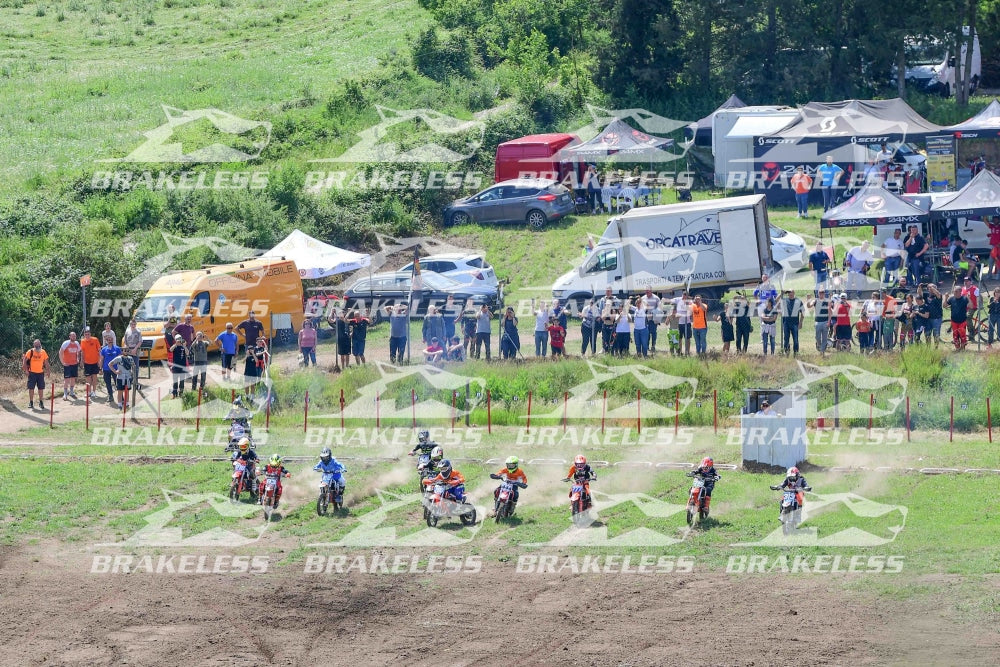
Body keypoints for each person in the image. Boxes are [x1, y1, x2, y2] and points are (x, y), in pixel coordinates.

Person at [22, 339, 50, 410]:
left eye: (39, 344)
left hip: (40, 373)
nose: (38, 346)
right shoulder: (30, 351)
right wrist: (26, 370)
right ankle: (31, 402)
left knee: (41, 388)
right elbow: (24, 361)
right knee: (31, 388)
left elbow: (46, 362)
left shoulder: (43, 352)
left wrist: (48, 371)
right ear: (34, 345)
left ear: (40, 344)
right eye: (36, 345)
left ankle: (41, 402)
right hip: (32, 373)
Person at [100, 334, 123, 406]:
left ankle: (121, 397)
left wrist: (121, 367)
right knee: (108, 383)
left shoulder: (117, 348)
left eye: (111, 339)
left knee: (118, 383)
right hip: (106, 369)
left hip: (115, 369)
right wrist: (100, 369)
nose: (110, 341)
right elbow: (101, 359)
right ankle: (110, 396)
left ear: (113, 340)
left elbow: (121, 358)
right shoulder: (104, 349)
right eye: (108, 340)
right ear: (106, 341)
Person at [780, 289, 804, 356]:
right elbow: (775, 301)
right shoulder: (784, 300)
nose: (790, 293)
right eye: (789, 292)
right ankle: (787, 352)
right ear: (787, 293)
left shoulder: (798, 301)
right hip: (786, 323)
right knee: (786, 339)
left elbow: (803, 313)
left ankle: (796, 353)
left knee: (795, 340)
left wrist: (801, 322)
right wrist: (781, 293)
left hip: (795, 323)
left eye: (792, 292)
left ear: (794, 293)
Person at [808, 289, 831, 355]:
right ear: (818, 294)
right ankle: (819, 345)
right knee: (817, 337)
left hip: (825, 321)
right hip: (817, 322)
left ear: (824, 294)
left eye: (822, 293)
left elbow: (830, 312)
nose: (821, 294)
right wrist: (808, 300)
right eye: (820, 293)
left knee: (824, 337)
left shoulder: (827, 301)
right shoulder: (815, 300)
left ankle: (822, 351)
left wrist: (829, 321)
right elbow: (809, 306)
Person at [59, 332, 81, 400]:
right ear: (69, 336)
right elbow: (60, 352)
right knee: (67, 379)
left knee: (73, 379)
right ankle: (65, 394)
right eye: (72, 336)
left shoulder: (77, 343)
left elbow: (79, 351)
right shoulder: (66, 343)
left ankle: (71, 392)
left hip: (74, 364)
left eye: (75, 336)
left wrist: (78, 359)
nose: (74, 337)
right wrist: (62, 362)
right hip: (67, 364)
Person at [80, 328, 100, 400]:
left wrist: (99, 360)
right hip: (87, 362)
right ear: (84, 335)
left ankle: (94, 392)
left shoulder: (95, 340)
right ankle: (88, 392)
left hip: (95, 362)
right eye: (86, 334)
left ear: (90, 334)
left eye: (88, 334)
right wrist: (82, 361)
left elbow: (99, 350)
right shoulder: (82, 341)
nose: (87, 335)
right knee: (88, 378)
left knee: (94, 377)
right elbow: (82, 352)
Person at [122, 320, 142, 389]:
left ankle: (135, 382)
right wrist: (126, 347)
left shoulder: (138, 331)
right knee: (127, 366)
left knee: (135, 367)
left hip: (135, 350)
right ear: (130, 324)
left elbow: (140, 341)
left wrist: (135, 349)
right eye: (132, 324)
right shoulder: (127, 331)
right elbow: (125, 341)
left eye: (134, 324)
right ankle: (129, 382)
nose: (133, 326)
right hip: (128, 350)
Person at [672, 292, 693, 356]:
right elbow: (671, 301)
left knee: (687, 338)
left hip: (687, 323)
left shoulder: (690, 302)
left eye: (685, 296)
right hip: (679, 323)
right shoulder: (678, 300)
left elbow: (691, 311)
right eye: (683, 296)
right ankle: (680, 352)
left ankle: (687, 351)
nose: (684, 297)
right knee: (679, 338)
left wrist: (686, 304)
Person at [169, 334, 188, 399]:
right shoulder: (175, 347)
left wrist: (184, 346)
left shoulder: (183, 346)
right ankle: (174, 394)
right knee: (175, 381)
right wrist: (175, 344)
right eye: (177, 339)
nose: (179, 341)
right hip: (175, 366)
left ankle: (181, 393)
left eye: (180, 339)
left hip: (183, 366)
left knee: (182, 381)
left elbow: (187, 353)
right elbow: (170, 350)